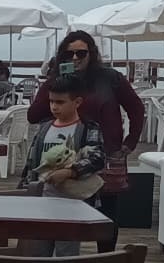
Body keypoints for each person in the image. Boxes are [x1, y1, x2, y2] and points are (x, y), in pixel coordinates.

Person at [27, 32, 144, 231]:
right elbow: (33, 115)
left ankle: (106, 259)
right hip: (62, 156)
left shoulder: (110, 78)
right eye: (68, 54)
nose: (74, 58)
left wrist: (130, 141)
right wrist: (58, 86)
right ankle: (61, 255)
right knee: (61, 209)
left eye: (81, 53)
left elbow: (136, 108)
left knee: (106, 213)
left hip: (105, 152)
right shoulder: (56, 80)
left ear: (91, 54)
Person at [20, 72, 107, 255]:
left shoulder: (88, 128)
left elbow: (97, 158)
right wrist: (24, 192)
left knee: (66, 249)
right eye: (51, 102)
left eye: (60, 102)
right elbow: (31, 162)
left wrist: (70, 172)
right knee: (37, 249)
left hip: (71, 200)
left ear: (77, 102)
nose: (54, 107)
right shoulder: (45, 127)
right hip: (42, 198)